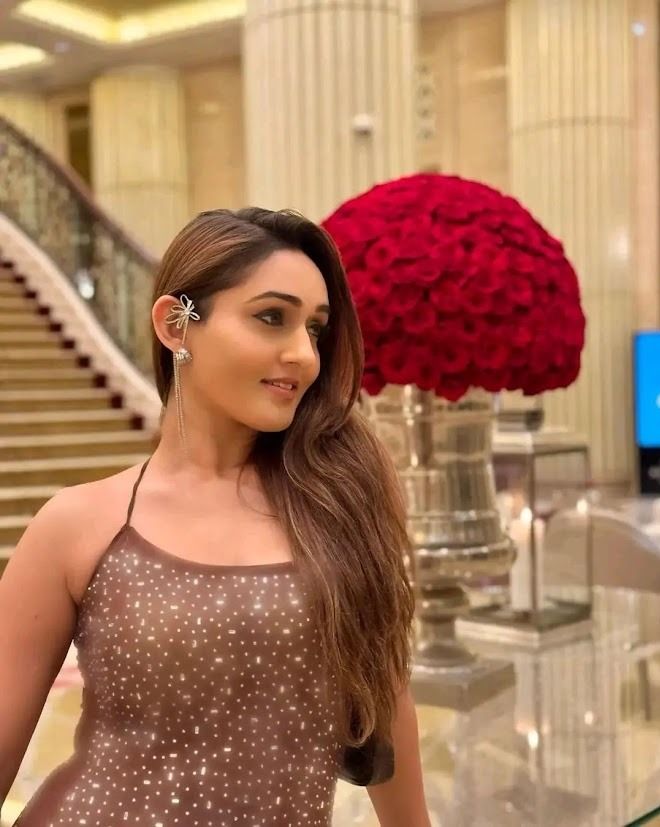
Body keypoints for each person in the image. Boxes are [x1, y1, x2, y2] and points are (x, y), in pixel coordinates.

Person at [0, 208, 430, 826]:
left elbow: (387, 701)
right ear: (176, 324)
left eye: (315, 329)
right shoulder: (76, 525)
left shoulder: (340, 505)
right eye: (271, 317)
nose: (304, 355)